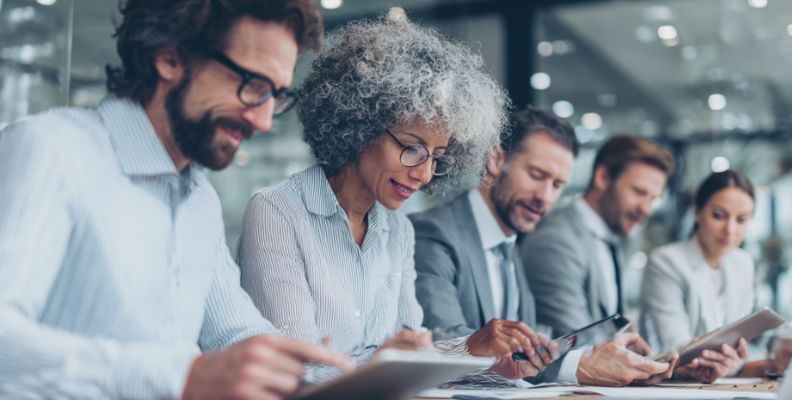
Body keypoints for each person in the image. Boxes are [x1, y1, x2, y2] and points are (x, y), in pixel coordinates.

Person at [0, 1, 353, 399]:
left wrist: (345, 378)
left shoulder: (200, 199)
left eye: (276, 95)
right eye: (252, 85)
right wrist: (180, 377)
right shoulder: (51, 151)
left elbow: (236, 334)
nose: (263, 121)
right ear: (170, 57)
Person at [236, 9, 532, 381]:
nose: (424, 173)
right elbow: (295, 367)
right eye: (412, 148)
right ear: (362, 128)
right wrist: (383, 363)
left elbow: (412, 356)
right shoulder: (276, 211)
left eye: (437, 157)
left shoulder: (398, 231)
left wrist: (483, 359)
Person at [410, 108, 676, 386]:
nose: (545, 197)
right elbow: (443, 344)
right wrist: (579, 365)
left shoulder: (510, 245)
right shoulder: (433, 233)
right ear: (496, 160)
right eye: (536, 175)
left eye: (557, 185)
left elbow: (524, 355)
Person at [520, 135, 674, 345]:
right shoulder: (555, 242)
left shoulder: (613, 237)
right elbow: (577, 344)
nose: (646, 209)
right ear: (602, 177)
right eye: (639, 192)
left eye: (653, 199)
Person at [640, 170, 781, 381]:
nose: (730, 230)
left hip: (723, 382)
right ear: (697, 212)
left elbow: (741, 342)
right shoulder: (666, 262)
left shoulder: (743, 263)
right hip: (673, 384)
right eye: (718, 216)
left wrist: (735, 360)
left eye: (741, 219)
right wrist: (723, 360)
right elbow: (676, 350)